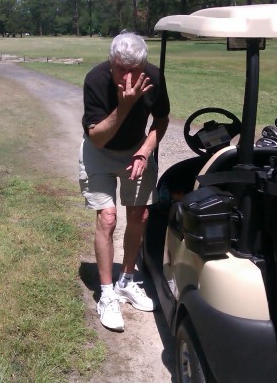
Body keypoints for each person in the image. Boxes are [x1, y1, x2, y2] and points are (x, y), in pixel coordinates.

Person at [79, 32, 170, 331]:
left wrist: (145, 150)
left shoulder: (153, 76)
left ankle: (126, 281)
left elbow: (161, 119)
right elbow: (97, 137)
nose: (129, 77)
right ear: (111, 62)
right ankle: (107, 294)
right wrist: (125, 105)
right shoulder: (96, 80)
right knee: (107, 218)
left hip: (136, 150)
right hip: (100, 151)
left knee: (139, 215)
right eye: (121, 69)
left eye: (135, 70)